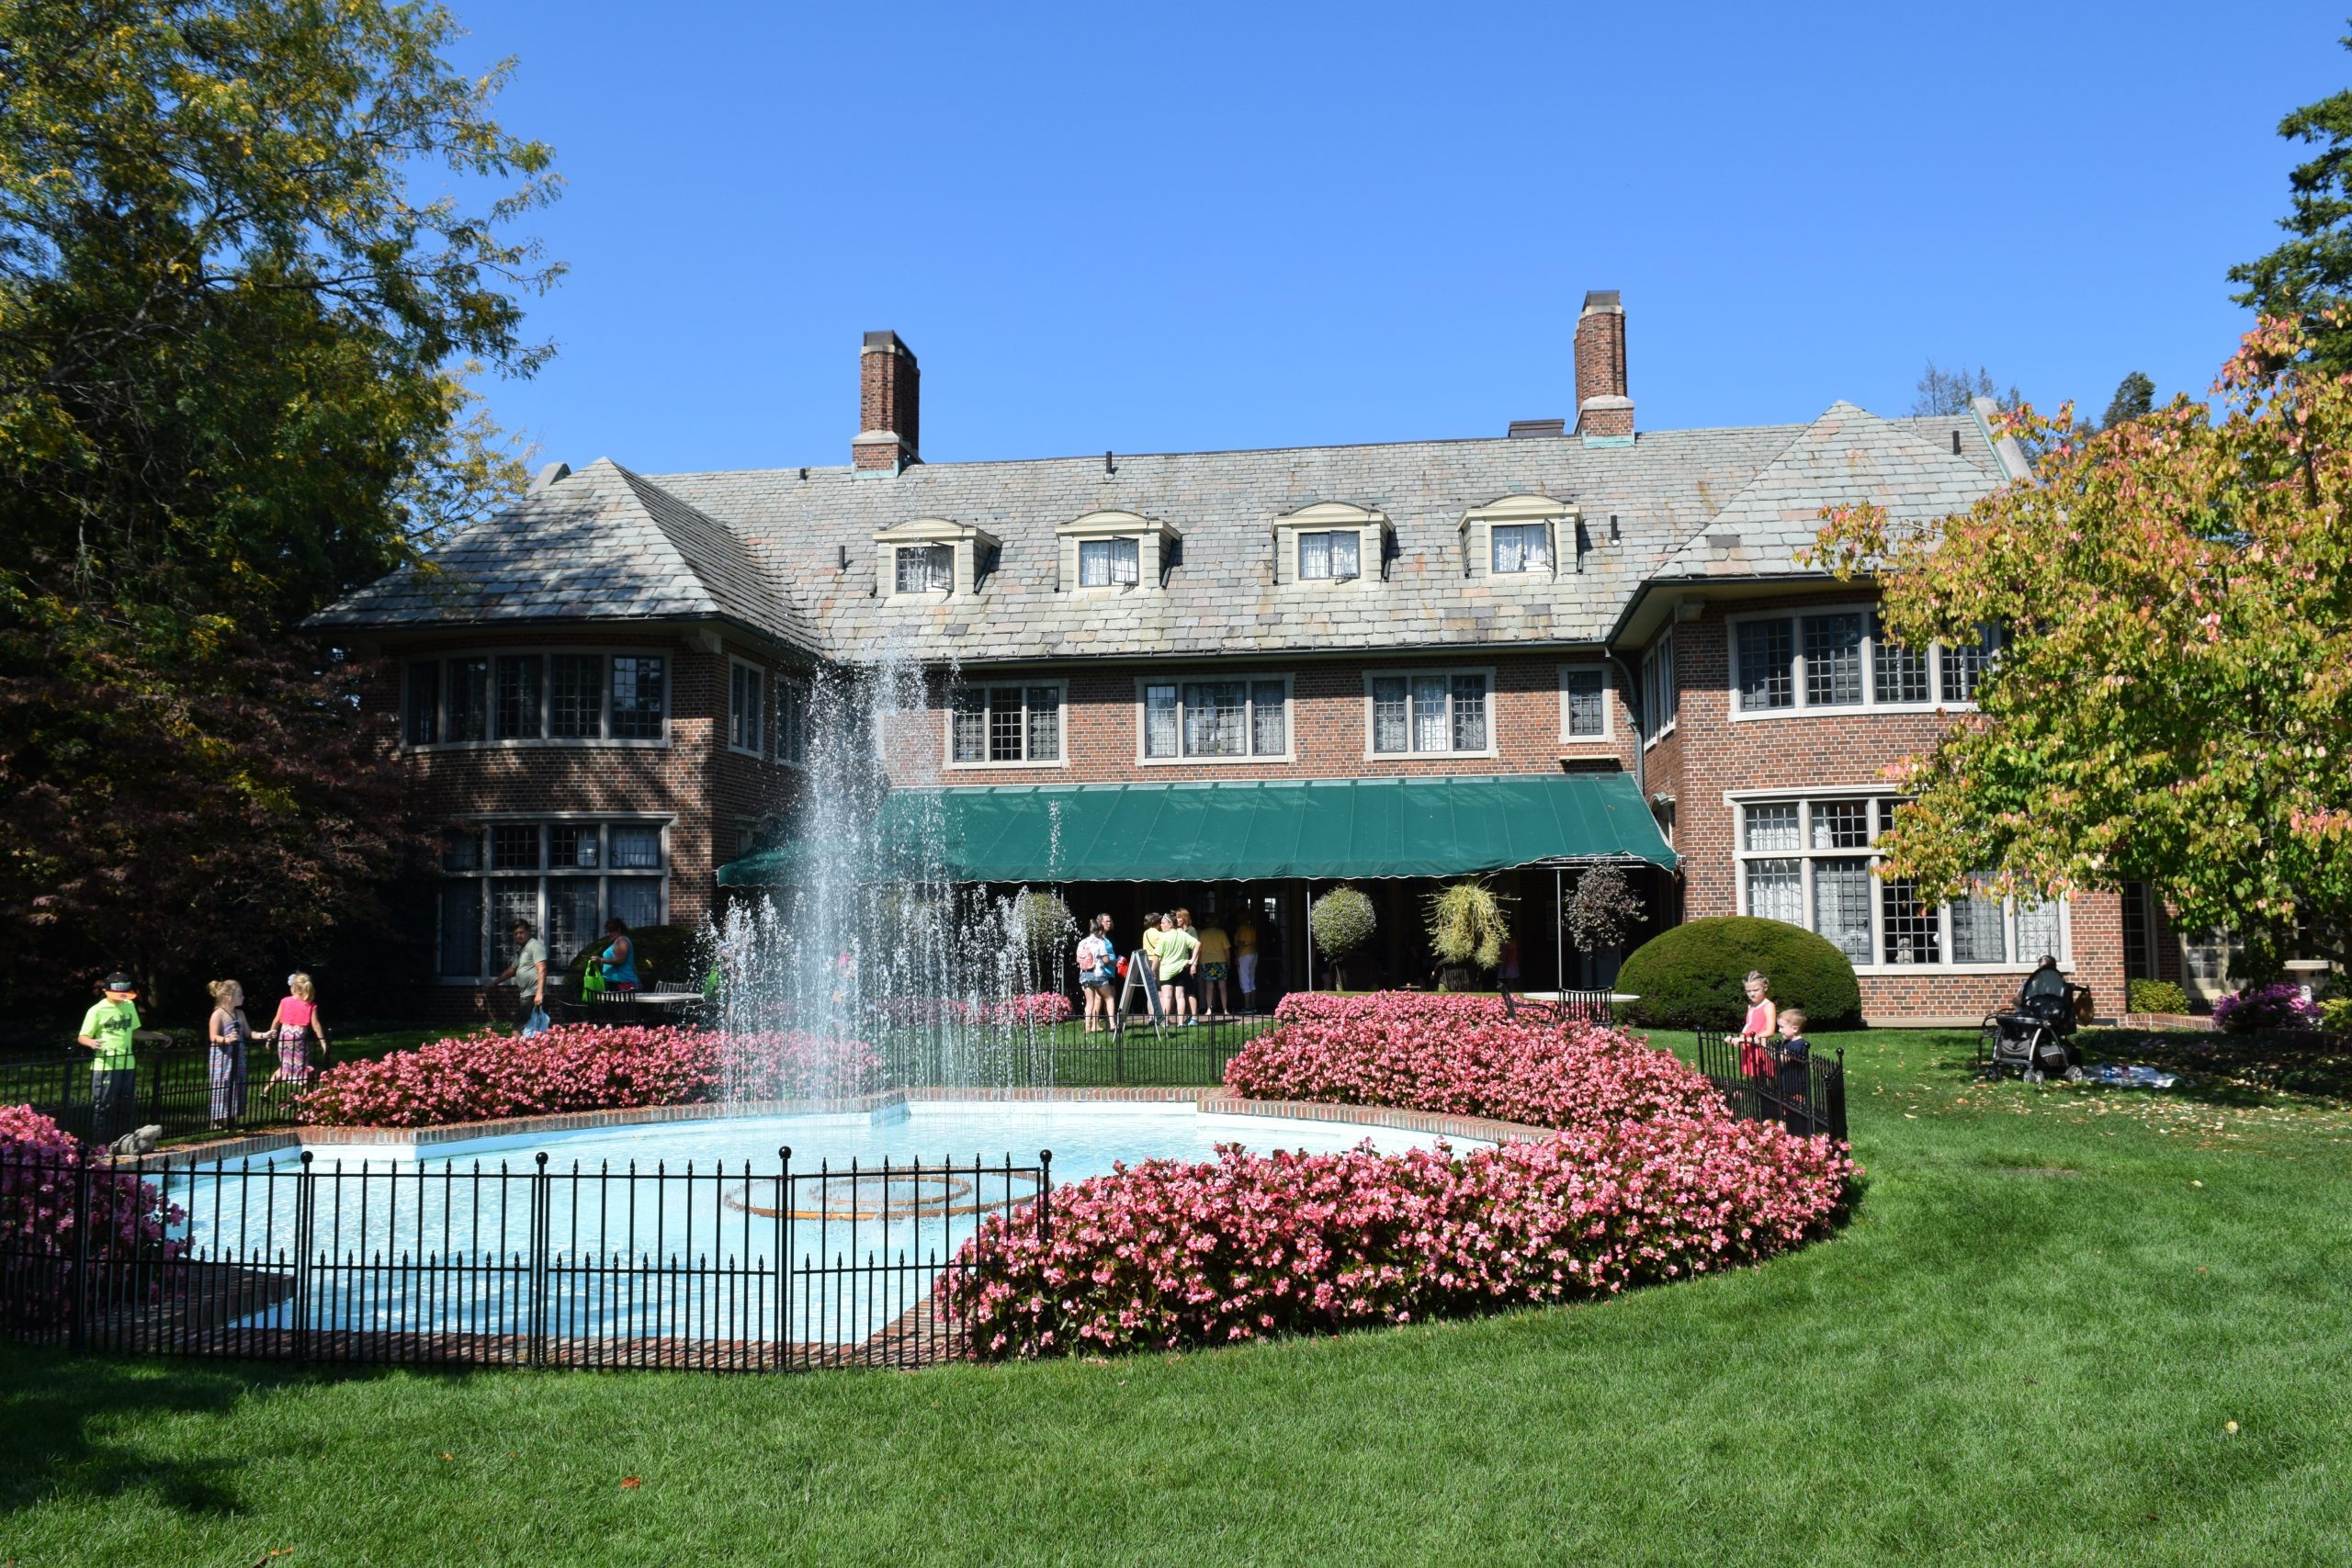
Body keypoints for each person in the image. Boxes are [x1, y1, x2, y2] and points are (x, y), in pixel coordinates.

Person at [78, 974, 142, 1147]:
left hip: (128, 1063)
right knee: (105, 1106)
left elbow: (134, 1031)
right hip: (105, 1065)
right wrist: (91, 1042)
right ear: (106, 991)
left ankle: (123, 1143)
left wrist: (157, 1036)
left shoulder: (129, 1005)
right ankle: (101, 1145)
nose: (121, 998)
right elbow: (83, 1036)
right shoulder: (96, 1010)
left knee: (126, 1105)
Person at [265, 973, 328, 1092]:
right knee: (304, 1069)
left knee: (284, 1066)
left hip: (285, 1036)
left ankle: (266, 1090)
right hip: (299, 1038)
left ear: (293, 987)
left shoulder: (284, 1001)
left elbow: (277, 1020)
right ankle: (306, 1097)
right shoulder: (310, 1005)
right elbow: (315, 1025)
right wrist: (322, 1042)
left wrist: (269, 1038)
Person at [205, 978, 252, 1130]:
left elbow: (249, 1033)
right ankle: (216, 1121)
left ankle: (232, 1120)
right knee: (222, 1085)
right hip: (223, 1057)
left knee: (237, 1084)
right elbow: (213, 1037)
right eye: (239, 994)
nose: (243, 997)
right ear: (227, 996)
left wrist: (265, 1035)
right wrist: (227, 1040)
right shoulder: (218, 1014)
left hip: (238, 1056)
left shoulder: (240, 1014)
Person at [492, 919, 549, 1033]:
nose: (519, 936)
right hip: (527, 995)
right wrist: (495, 982)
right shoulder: (522, 950)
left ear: (529, 931)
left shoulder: (535, 946)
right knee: (532, 1031)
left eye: (521, 932)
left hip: (533, 995)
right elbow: (512, 970)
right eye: (516, 934)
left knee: (518, 1029)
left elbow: (542, 968)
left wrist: (539, 993)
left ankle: (518, 1045)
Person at [1770, 1007, 1815, 1134]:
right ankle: (1788, 1132)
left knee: (1796, 1112)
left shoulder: (1799, 1045)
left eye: (1782, 1027)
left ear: (1794, 1028)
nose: (1779, 1030)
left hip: (1795, 1087)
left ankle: (1799, 1133)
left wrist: (1766, 1048)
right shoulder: (1786, 1043)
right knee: (1785, 1112)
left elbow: (1782, 1059)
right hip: (1785, 1084)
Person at [1076, 915, 1118, 1033]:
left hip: (1085, 975)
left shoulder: (1082, 942)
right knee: (1109, 997)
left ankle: (1087, 1027)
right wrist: (1114, 962)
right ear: (1099, 931)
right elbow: (1106, 960)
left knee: (1089, 1002)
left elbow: (1078, 959)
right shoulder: (1100, 942)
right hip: (1098, 974)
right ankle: (1112, 1024)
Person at [1158, 910, 1200, 1027]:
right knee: (1180, 996)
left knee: (1168, 996)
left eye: (1163, 923)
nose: (1161, 925)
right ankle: (1180, 1023)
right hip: (1181, 968)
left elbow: (1157, 955)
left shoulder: (1166, 936)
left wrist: (1193, 962)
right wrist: (1192, 961)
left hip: (1170, 970)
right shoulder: (1182, 933)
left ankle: (1166, 1022)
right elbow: (1198, 944)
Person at [1737, 970, 1777, 1080]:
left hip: (1760, 1046)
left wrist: (1749, 1039)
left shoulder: (1768, 1006)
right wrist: (1742, 1036)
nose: (1752, 994)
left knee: (1765, 1076)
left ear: (1765, 987)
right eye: (1748, 991)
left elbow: (1770, 1031)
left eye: (1755, 990)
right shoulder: (1751, 1006)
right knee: (1754, 1077)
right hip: (1748, 1045)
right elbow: (1749, 1025)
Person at [1195, 916, 1232, 1018]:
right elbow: (1227, 949)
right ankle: (1225, 1009)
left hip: (1206, 961)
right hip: (1220, 961)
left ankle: (1208, 1009)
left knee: (1209, 987)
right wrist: (1229, 961)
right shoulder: (1221, 933)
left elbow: (1199, 950)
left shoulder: (1202, 934)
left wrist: (1197, 962)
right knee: (1222, 987)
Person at [596, 918, 640, 993]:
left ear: (619, 930)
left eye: (611, 931)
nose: (608, 934)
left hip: (622, 983)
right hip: (616, 982)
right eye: (607, 931)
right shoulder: (617, 942)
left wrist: (601, 960)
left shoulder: (622, 941)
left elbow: (620, 960)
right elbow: (632, 964)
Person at [1137, 912, 1165, 1021]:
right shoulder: (1160, 934)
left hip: (1146, 961)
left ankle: (1151, 1017)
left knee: (1150, 990)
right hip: (1157, 962)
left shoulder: (1146, 933)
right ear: (1157, 922)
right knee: (1161, 990)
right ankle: (1161, 1016)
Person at [1234, 912, 1261, 1013]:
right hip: (1254, 953)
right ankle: (1253, 1006)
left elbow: (1241, 943)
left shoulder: (1242, 928)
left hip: (1244, 954)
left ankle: (1247, 1007)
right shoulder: (1251, 927)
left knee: (1245, 980)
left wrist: (1237, 957)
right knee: (1251, 980)